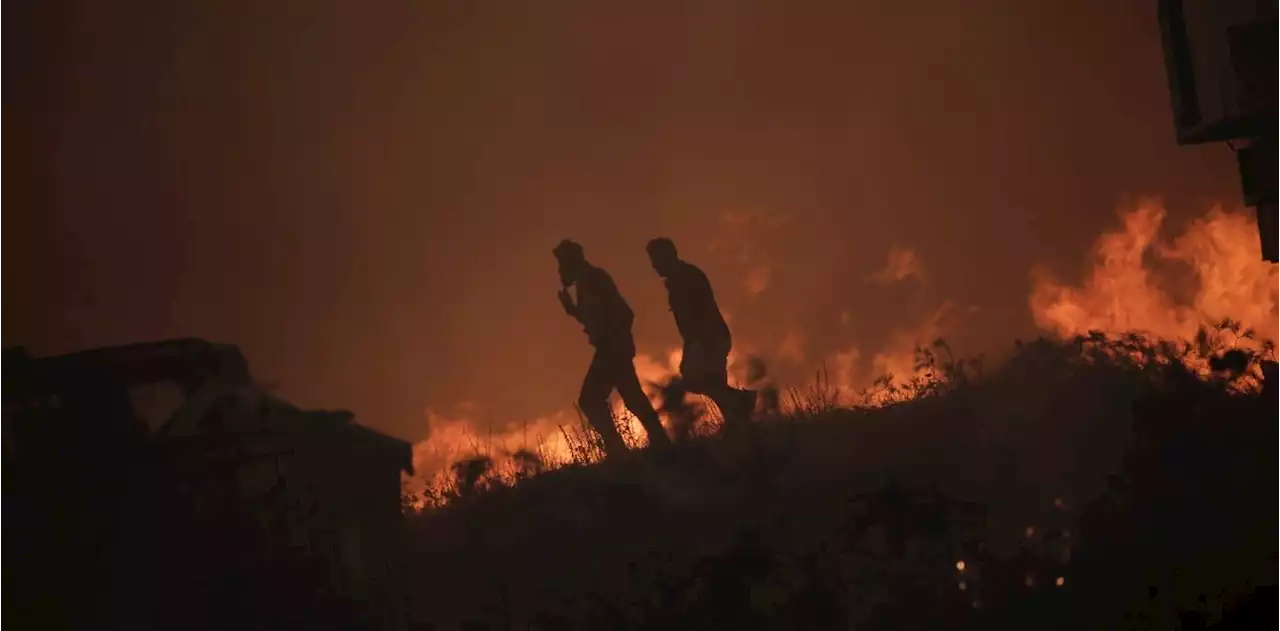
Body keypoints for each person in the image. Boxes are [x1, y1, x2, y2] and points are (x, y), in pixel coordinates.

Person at [553, 239, 671, 456]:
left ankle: (618, 449)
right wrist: (573, 311)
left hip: (612, 348)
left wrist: (616, 342)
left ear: (572, 262)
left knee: (590, 399)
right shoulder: (586, 283)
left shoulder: (594, 279)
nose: (560, 271)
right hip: (612, 347)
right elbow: (596, 318)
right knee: (631, 396)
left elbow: (623, 312)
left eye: (561, 264)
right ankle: (658, 441)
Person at [646, 237, 756, 427]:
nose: (654, 266)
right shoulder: (678, 281)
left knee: (695, 379)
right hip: (706, 339)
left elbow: (704, 311)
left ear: (667, 256)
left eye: (655, 260)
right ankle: (739, 420)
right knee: (712, 384)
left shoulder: (688, 277)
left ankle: (740, 406)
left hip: (710, 339)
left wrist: (700, 344)